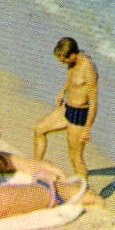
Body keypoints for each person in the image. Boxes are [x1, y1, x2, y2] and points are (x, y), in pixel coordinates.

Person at [31, 37, 97, 188]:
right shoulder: (72, 62)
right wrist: (62, 92)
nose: (63, 63)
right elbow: (71, 79)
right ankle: (36, 168)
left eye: (64, 60)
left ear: (73, 55)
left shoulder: (88, 69)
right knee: (39, 130)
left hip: (80, 115)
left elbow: (94, 103)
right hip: (67, 109)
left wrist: (87, 129)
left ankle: (84, 191)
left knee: (75, 157)